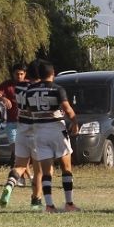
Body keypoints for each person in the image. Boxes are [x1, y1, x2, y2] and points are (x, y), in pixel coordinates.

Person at [24, 60, 80, 213]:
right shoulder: (57, 88)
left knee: (46, 171)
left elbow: (29, 111)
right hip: (56, 129)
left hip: (39, 132)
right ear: (52, 73)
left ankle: (49, 206)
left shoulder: (29, 90)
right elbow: (67, 109)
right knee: (66, 167)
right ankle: (69, 203)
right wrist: (75, 122)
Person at [0, 60, 45, 210]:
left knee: (19, 165)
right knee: (39, 170)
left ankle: (10, 184)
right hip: (35, 130)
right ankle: (36, 200)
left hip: (22, 129)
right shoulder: (40, 88)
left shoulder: (18, 88)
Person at [0, 63, 31, 187]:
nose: (19, 76)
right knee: (17, 151)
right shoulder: (7, 85)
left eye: (21, 74)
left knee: (26, 151)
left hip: (26, 122)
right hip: (11, 123)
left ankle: (22, 176)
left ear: (25, 74)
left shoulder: (29, 85)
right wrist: (3, 99)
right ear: (13, 74)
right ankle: (27, 175)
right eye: (17, 74)